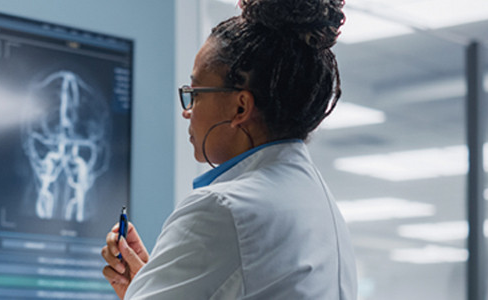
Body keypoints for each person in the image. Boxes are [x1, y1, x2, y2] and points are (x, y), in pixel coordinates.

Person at [100, 0, 355, 298]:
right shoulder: (319, 205)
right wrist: (149, 287)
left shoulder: (221, 209)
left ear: (240, 106)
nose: (187, 111)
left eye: (195, 93)